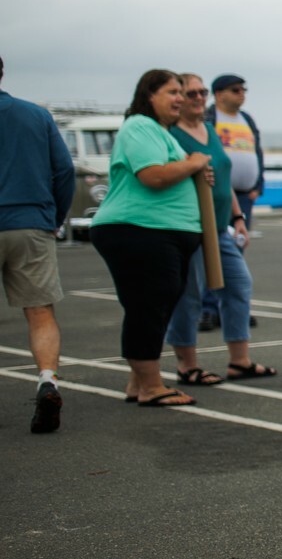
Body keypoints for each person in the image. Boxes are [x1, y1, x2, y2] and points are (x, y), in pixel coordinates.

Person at [90, 70, 212, 407]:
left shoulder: (160, 132)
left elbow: (175, 169)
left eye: (181, 93)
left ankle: (138, 382)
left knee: (153, 306)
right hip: (139, 229)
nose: (181, 99)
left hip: (161, 232)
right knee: (148, 305)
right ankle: (151, 387)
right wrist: (193, 163)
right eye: (172, 92)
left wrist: (194, 168)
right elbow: (153, 175)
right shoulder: (140, 126)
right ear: (149, 94)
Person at [165, 74, 274, 386]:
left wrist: (238, 217)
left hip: (220, 225)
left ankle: (239, 361)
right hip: (189, 225)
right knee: (189, 294)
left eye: (201, 92)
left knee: (239, 283)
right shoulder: (171, 135)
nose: (199, 97)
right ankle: (188, 365)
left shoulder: (209, 130)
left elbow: (223, 177)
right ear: (178, 99)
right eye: (191, 93)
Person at [0, 56, 76, 432]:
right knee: (40, 311)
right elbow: (63, 170)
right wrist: (54, 218)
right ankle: (48, 378)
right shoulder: (36, 116)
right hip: (30, 222)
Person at [209, 74, 263, 227]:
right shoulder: (210, 118)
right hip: (219, 194)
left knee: (239, 242)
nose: (241, 93)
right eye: (235, 90)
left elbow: (257, 152)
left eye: (243, 90)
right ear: (219, 95)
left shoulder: (247, 119)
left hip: (246, 195)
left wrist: (258, 187)